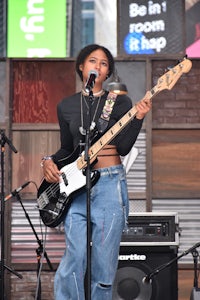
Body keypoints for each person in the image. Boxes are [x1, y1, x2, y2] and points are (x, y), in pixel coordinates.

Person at [41, 44, 152, 300]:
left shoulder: (119, 101)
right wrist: (47, 161)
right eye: (93, 61)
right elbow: (67, 150)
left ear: (108, 72)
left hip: (109, 185)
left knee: (103, 266)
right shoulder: (66, 105)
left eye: (104, 64)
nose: (98, 67)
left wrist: (138, 118)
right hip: (76, 190)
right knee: (74, 258)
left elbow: (123, 147)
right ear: (82, 66)